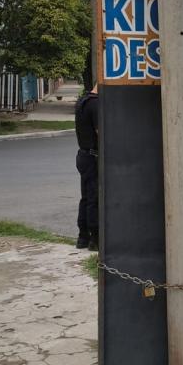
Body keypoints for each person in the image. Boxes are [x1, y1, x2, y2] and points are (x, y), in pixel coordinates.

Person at [75, 84, 99, 250]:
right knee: (94, 199)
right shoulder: (95, 104)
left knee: (86, 197)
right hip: (92, 156)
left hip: (83, 155)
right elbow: (100, 132)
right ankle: (95, 239)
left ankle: (82, 236)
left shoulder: (83, 101)